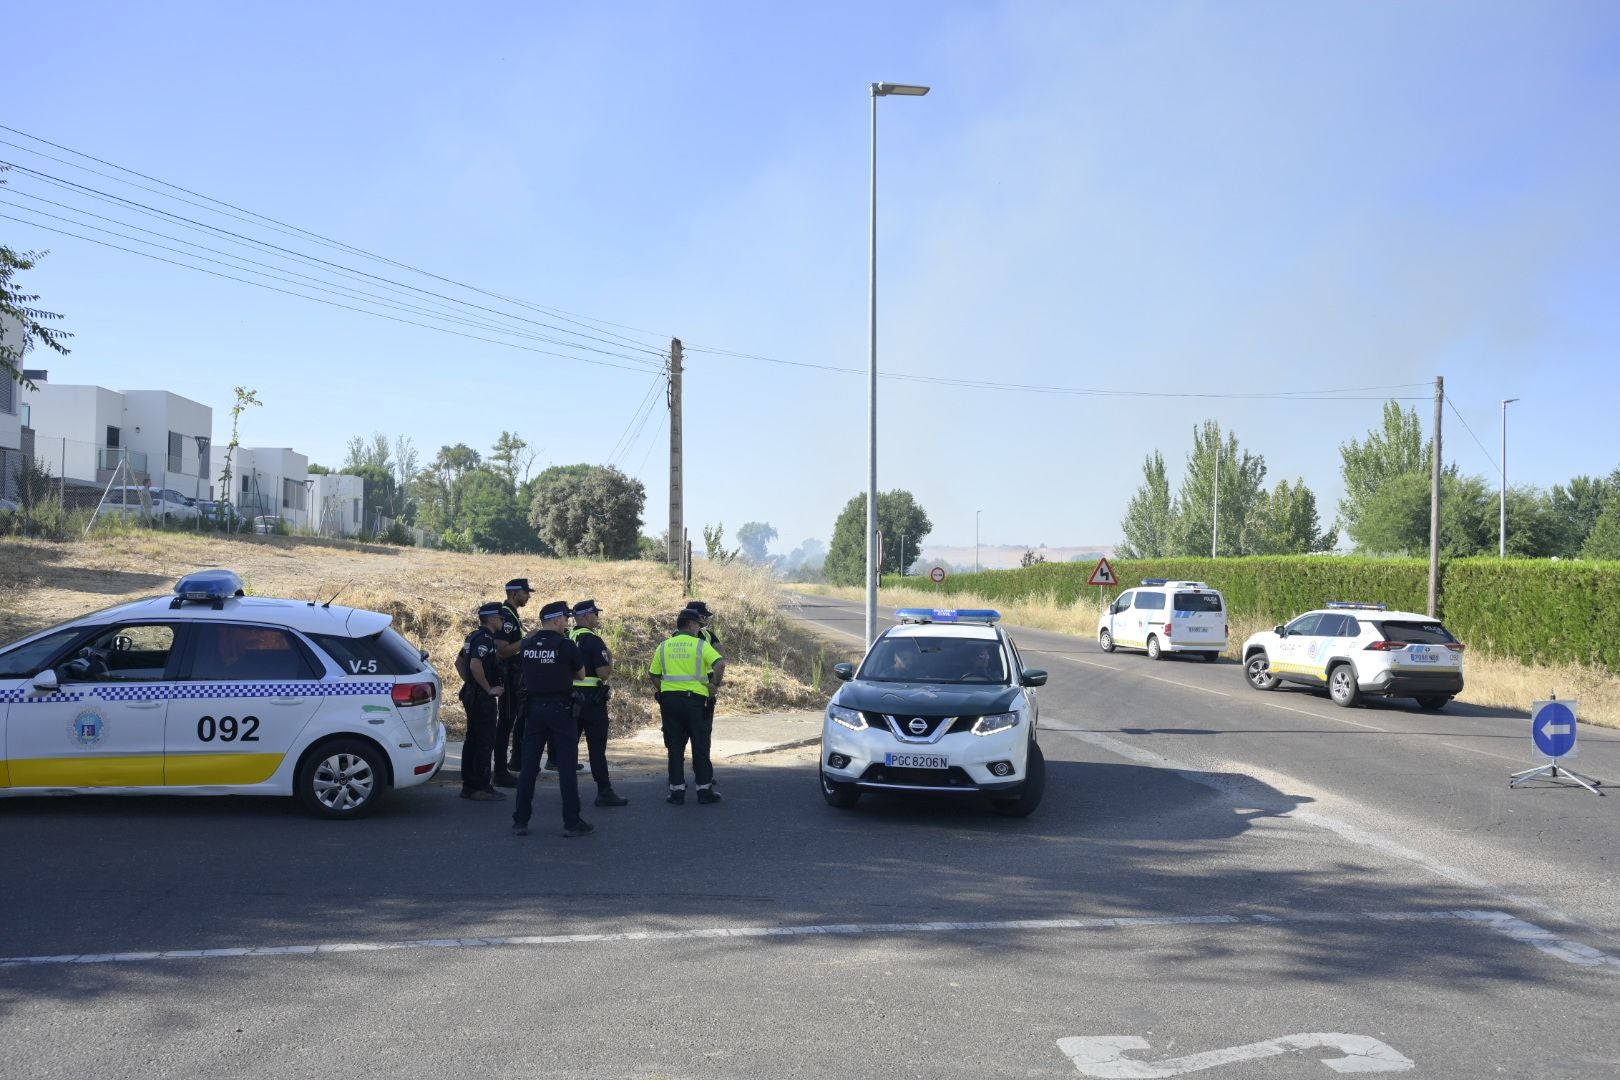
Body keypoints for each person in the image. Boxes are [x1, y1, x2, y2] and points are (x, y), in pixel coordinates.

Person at [511, 600, 592, 838]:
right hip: (561, 709)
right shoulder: (565, 645)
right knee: (567, 767)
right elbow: (581, 674)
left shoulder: (526, 645)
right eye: (565, 619)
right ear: (556, 620)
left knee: (529, 767)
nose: (567, 623)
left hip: (533, 709)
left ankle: (520, 821)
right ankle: (571, 822)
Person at [649, 609, 726, 805]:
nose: (699, 628)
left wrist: (664, 690)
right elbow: (720, 664)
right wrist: (714, 686)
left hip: (670, 702)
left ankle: (677, 792)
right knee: (699, 745)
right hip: (695, 702)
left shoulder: (664, 646)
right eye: (698, 625)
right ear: (691, 624)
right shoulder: (700, 645)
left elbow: (653, 674)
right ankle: (704, 791)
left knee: (674, 747)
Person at [569, 599, 627, 807]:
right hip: (591, 703)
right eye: (595, 613)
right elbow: (603, 673)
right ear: (585, 616)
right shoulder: (593, 641)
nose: (597, 617)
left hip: (569, 699)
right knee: (596, 748)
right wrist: (609, 660)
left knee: (569, 747)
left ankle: (569, 792)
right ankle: (604, 791)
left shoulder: (567, 637)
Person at [455, 602, 506, 801]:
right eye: (501, 618)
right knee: (485, 741)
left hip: (471, 694)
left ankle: (469, 785)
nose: (503, 621)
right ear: (492, 618)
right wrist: (487, 688)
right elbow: (475, 664)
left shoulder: (472, 636)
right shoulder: (485, 639)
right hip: (481, 698)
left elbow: (459, 662)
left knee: (473, 740)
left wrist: (470, 683)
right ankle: (481, 787)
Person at [491, 578, 532, 788]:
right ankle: (499, 772)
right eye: (526, 592)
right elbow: (502, 650)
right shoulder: (506, 615)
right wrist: (527, 640)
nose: (529, 596)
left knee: (511, 722)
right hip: (508, 677)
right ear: (514, 593)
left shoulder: (512, 614)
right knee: (505, 724)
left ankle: (510, 764)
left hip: (516, 677)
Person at [682, 601, 724, 733]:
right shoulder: (677, 636)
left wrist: (715, 683)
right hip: (683, 684)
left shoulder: (708, 635)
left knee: (704, 723)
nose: (705, 620)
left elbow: (721, 656)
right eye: (703, 617)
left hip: (706, 683)